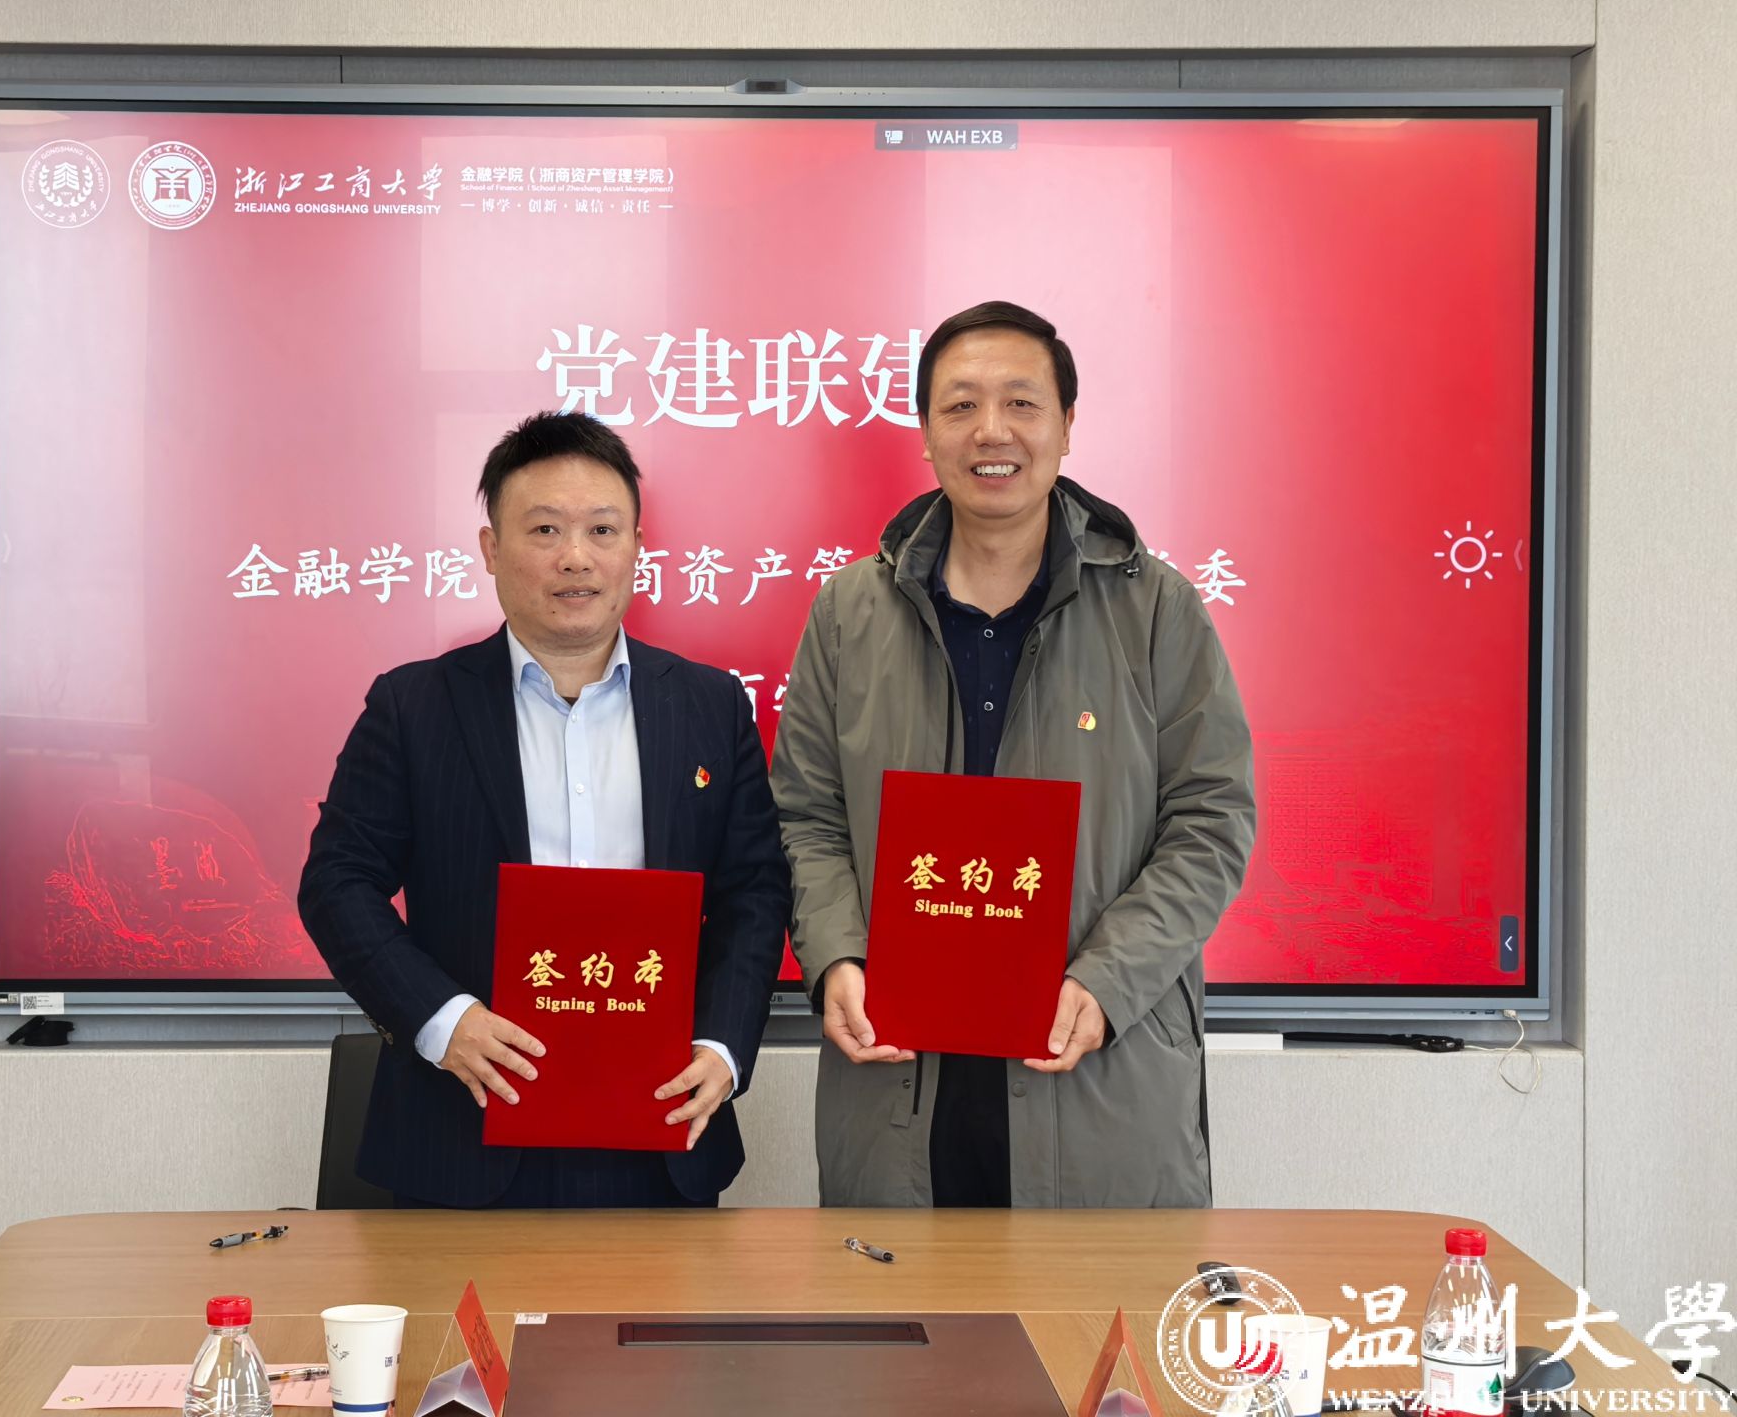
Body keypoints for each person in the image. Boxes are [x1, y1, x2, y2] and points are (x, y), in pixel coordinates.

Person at [772, 300, 1255, 1208]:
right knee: (897, 1301)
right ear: (925, 433)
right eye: (960, 406)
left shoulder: (1155, 610)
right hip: (898, 1080)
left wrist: (1108, 980)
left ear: (1067, 425)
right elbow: (807, 815)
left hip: (1096, 1075)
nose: (991, 431)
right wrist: (836, 955)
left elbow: (1212, 821)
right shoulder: (848, 612)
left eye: (1022, 403)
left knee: (1097, 1302)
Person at [299, 412, 791, 1208]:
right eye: (545, 530)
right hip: (462, 1129)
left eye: (602, 529)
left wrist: (723, 1044)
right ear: (492, 549)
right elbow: (337, 884)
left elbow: (755, 892)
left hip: (663, 1128)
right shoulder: (414, 706)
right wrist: (443, 1020)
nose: (576, 558)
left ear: (637, 546)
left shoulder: (709, 706)